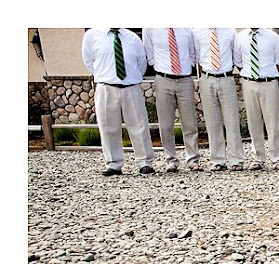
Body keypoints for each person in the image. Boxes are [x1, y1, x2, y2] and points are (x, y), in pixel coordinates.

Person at [82, 28, 155, 176]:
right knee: (108, 126)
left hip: (131, 87)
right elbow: (89, 61)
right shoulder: (92, 36)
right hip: (106, 87)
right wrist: (106, 76)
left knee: (139, 125)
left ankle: (145, 162)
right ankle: (114, 164)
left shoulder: (133, 38)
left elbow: (141, 64)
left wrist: (130, 79)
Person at [143, 27, 201, 172]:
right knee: (165, 124)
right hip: (163, 79)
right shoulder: (150, 27)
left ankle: (193, 158)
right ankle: (171, 160)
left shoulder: (187, 27)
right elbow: (150, 54)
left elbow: (193, 53)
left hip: (185, 79)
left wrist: (187, 67)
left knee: (189, 122)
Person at [234, 27, 279, 171]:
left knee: (272, 123)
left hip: (269, 83)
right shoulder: (240, 37)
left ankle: (277, 159)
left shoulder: (273, 37)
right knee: (253, 122)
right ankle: (258, 158)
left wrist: (267, 75)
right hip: (249, 83)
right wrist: (250, 76)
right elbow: (238, 62)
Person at [193, 27, 245, 171]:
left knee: (232, 120)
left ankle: (236, 159)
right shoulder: (197, 31)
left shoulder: (229, 30)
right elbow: (197, 55)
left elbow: (235, 56)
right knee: (212, 121)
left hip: (226, 78)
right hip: (207, 78)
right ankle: (217, 159)